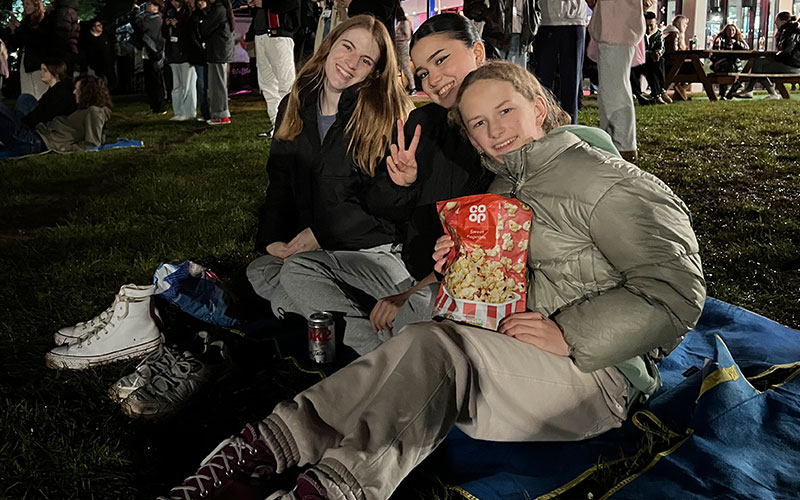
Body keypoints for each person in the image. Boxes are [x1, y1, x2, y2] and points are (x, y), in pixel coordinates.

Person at [159, 59, 706, 500]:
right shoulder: (501, 189)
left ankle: (335, 487)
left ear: (539, 107)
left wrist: (571, 334)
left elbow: (676, 287)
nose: (495, 131)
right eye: (478, 124)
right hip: (508, 351)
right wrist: (458, 265)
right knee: (417, 344)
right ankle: (260, 450)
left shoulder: (605, 180)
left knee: (429, 348)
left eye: (506, 111)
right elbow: (498, 286)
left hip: (598, 375)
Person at [267, 13, 495, 356]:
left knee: (410, 315)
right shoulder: (425, 123)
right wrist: (402, 183)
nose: (433, 79)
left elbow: (488, 250)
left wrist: (408, 292)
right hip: (406, 266)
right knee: (283, 272)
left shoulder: (500, 131)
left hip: (430, 278)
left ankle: (368, 342)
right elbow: (386, 206)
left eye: (441, 60)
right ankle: (379, 348)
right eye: (423, 72)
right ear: (329, 46)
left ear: (478, 53)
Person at [244, 15, 414, 350]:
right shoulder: (295, 105)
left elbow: (387, 211)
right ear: (329, 46)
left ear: (376, 70)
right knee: (260, 271)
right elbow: (279, 184)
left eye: (365, 60)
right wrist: (273, 239)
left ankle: (381, 357)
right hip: (322, 251)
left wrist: (323, 233)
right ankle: (349, 314)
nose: (350, 64)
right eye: (346, 47)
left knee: (295, 275)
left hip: (376, 252)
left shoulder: (386, 117)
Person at [587, 0, 645, 161]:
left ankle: (622, 145)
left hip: (617, 27)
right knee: (611, 90)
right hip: (614, 27)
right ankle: (615, 142)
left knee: (614, 91)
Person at [0, 75, 112, 157]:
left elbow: (91, 145)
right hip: (37, 134)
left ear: (88, 93)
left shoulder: (94, 112)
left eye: (78, 90)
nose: (73, 92)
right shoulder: (87, 109)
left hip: (34, 142)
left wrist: (62, 148)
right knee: (25, 98)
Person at [248, 0, 301, 130]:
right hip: (261, 34)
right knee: (267, 85)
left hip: (279, 35)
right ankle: (276, 125)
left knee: (285, 84)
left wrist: (265, 3)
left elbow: (292, 4)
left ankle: (289, 126)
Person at [533, 0, 586, 123]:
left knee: (571, 83)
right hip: (545, 20)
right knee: (542, 84)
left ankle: (571, 129)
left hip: (574, 20)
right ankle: (543, 126)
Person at [734, 12, 800, 100]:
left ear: (783, 21)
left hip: (792, 66)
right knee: (758, 62)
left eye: (777, 21)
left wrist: (774, 57)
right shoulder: (790, 30)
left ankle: (754, 90)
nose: (775, 23)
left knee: (759, 67)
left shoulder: (791, 32)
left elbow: (787, 53)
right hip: (792, 64)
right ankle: (751, 90)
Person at [197, 0, 235, 124]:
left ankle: (222, 114)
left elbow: (204, 28)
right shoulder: (220, 8)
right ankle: (218, 114)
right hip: (217, 51)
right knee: (216, 83)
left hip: (218, 51)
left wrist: (202, 16)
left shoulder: (218, 9)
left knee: (217, 84)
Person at [3, 0, 48, 99]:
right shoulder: (25, 22)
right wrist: (13, 31)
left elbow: (37, 41)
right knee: (27, 92)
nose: (25, 7)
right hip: (25, 62)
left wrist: (21, 29)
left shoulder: (43, 22)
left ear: (35, 5)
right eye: (24, 4)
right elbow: (16, 44)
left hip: (37, 62)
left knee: (39, 92)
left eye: (27, 4)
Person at [131, 0, 169, 115]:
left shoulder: (156, 19)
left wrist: (136, 12)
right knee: (150, 80)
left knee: (155, 80)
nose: (147, 6)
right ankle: (154, 106)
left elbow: (141, 27)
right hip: (148, 52)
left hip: (154, 52)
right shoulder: (149, 17)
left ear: (156, 7)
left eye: (150, 4)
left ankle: (160, 106)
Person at [163, 0, 199, 120]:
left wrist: (177, 24)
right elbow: (164, 33)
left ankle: (189, 112)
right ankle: (178, 111)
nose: (174, 2)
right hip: (173, 54)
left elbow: (190, 32)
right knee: (176, 86)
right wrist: (167, 23)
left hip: (185, 54)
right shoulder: (169, 12)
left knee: (187, 85)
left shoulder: (188, 13)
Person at [16, 60, 77, 127]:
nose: (41, 73)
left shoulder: (59, 92)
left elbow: (44, 114)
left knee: (23, 100)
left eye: (45, 70)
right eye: (41, 70)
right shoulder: (55, 89)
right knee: (26, 98)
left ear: (55, 72)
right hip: (49, 120)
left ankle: (18, 127)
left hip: (53, 126)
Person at [630, 11, 670, 105]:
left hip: (650, 62)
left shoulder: (658, 33)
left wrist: (658, 53)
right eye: (646, 25)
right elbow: (636, 50)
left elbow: (661, 47)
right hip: (638, 62)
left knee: (658, 62)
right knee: (633, 67)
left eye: (651, 25)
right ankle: (658, 92)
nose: (649, 28)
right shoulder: (638, 33)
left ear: (655, 22)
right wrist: (649, 53)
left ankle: (657, 93)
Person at [710, 23, 748, 100]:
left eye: (733, 30)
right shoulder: (720, 40)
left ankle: (725, 94)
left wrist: (736, 44)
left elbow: (746, 51)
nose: (731, 32)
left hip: (735, 65)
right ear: (725, 31)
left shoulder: (738, 41)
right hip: (722, 64)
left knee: (727, 67)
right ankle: (726, 93)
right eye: (729, 30)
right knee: (725, 67)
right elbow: (715, 53)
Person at [80, 19, 118, 90]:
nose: (101, 26)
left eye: (101, 25)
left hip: (108, 62)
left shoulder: (106, 36)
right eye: (98, 25)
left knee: (110, 77)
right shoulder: (88, 39)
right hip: (95, 63)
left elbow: (111, 49)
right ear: (93, 28)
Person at [663, 14, 692, 101]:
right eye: (685, 24)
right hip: (672, 65)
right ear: (680, 24)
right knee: (696, 67)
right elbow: (673, 53)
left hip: (671, 63)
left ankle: (679, 92)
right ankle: (681, 87)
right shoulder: (674, 34)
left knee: (697, 66)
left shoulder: (670, 32)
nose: (686, 26)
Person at [394, 6, 415, 95]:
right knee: (398, 67)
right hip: (398, 46)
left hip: (402, 46)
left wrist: (399, 38)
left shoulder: (405, 23)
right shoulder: (400, 23)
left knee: (406, 67)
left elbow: (407, 35)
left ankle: (412, 87)